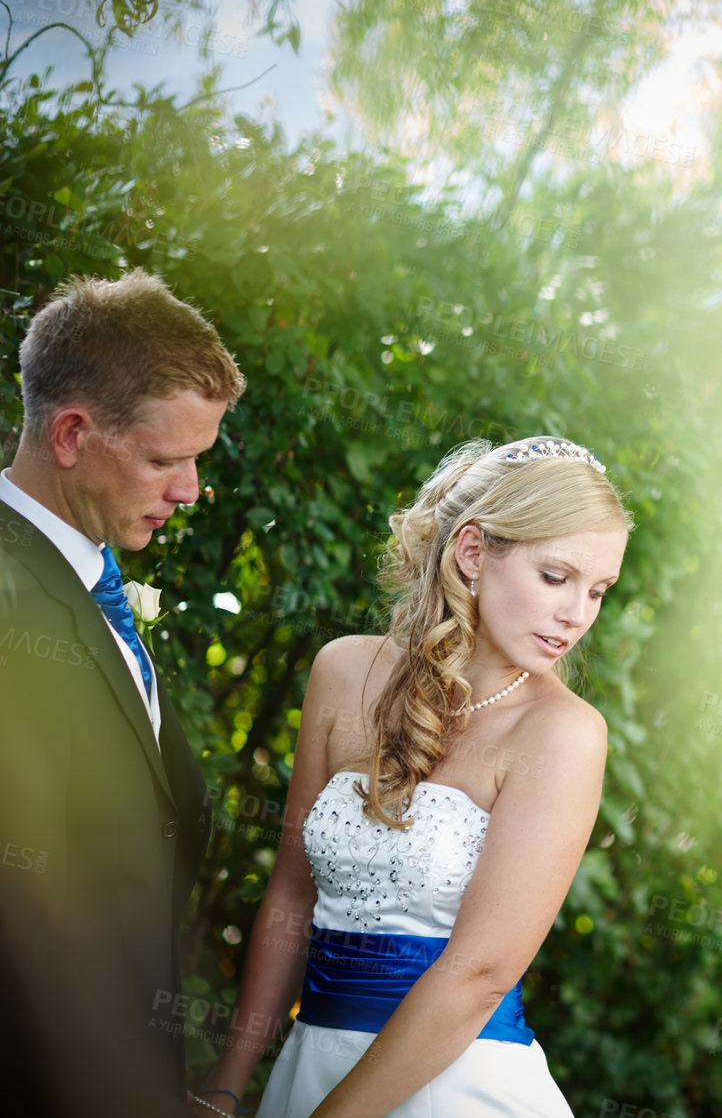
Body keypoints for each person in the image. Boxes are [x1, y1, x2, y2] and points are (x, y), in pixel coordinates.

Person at [192, 435, 632, 1117]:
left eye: (598, 590)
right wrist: (226, 1086)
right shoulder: (343, 673)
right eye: (556, 577)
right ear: (474, 552)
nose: (577, 614)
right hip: (307, 1068)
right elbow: (289, 896)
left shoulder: (565, 734)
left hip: (460, 1088)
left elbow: (479, 976)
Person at [0, 268, 247, 1117]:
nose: (188, 490)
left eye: (197, 461)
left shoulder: (87, 582)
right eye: (164, 459)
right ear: (71, 433)